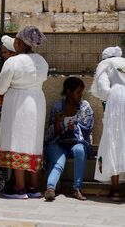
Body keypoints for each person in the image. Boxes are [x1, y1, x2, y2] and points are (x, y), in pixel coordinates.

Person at [0, 26, 48, 199]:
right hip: (37, 102)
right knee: (32, 143)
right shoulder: (42, 62)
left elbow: (0, 87)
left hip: (18, 104)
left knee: (17, 142)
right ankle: (34, 187)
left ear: (18, 42)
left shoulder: (13, 62)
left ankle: (19, 188)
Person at [44, 77, 93, 201]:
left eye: (81, 92)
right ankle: (50, 189)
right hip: (58, 142)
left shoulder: (85, 106)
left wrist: (75, 128)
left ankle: (77, 189)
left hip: (77, 142)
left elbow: (88, 129)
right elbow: (51, 135)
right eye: (78, 92)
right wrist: (58, 123)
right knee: (58, 163)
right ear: (69, 92)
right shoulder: (57, 107)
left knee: (80, 151)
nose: (80, 95)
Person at [90, 46, 125, 202]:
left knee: (114, 142)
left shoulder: (105, 65)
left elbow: (103, 90)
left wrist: (113, 97)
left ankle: (115, 190)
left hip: (116, 103)